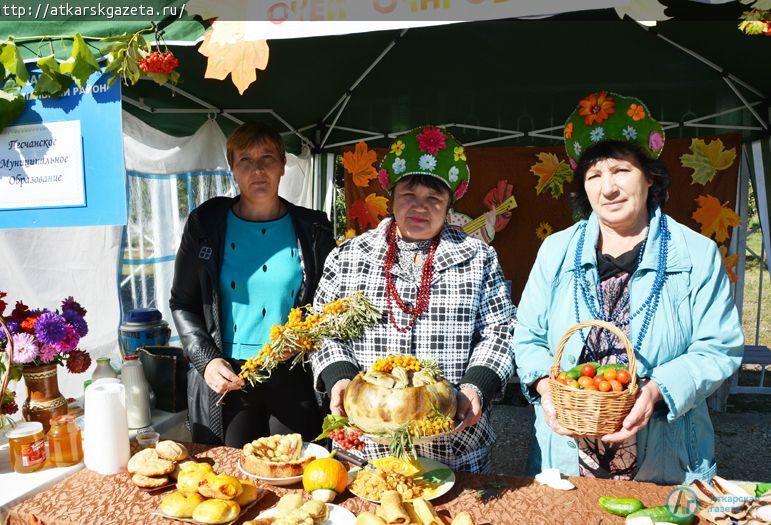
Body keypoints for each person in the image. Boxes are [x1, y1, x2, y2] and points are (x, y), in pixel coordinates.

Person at [514, 92, 744, 484]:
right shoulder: (555, 251)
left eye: (621, 171)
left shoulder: (695, 253)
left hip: (666, 454)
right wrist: (545, 387)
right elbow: (527, 337)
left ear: (649, 176)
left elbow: (718, 347)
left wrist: (656, 392)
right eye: (594, 176)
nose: (608, 188)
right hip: (567, 454)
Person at [309, 126, 515, 473]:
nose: (420, 207)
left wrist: (477, 385)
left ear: (449, 205)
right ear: (392, 198)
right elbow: (324, 330)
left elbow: (501, 331)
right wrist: (339, 376)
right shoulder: (349, 257)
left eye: (434, 198)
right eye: (409, 195)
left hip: (453, 440)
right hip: (367, 445)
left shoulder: (478, 258)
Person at [170, 122, 336, 446]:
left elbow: (329, 306)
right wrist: (206, 360)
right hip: (229, 378)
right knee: (231, 478)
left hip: (292, 376)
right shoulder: (205, 225)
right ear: (232, 168)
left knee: (295, 472)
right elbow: (183, 303)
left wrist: (307, 339)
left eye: (267, 158)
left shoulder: (313, 229)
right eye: (245, 160)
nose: (257, 169)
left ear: (283, 164)